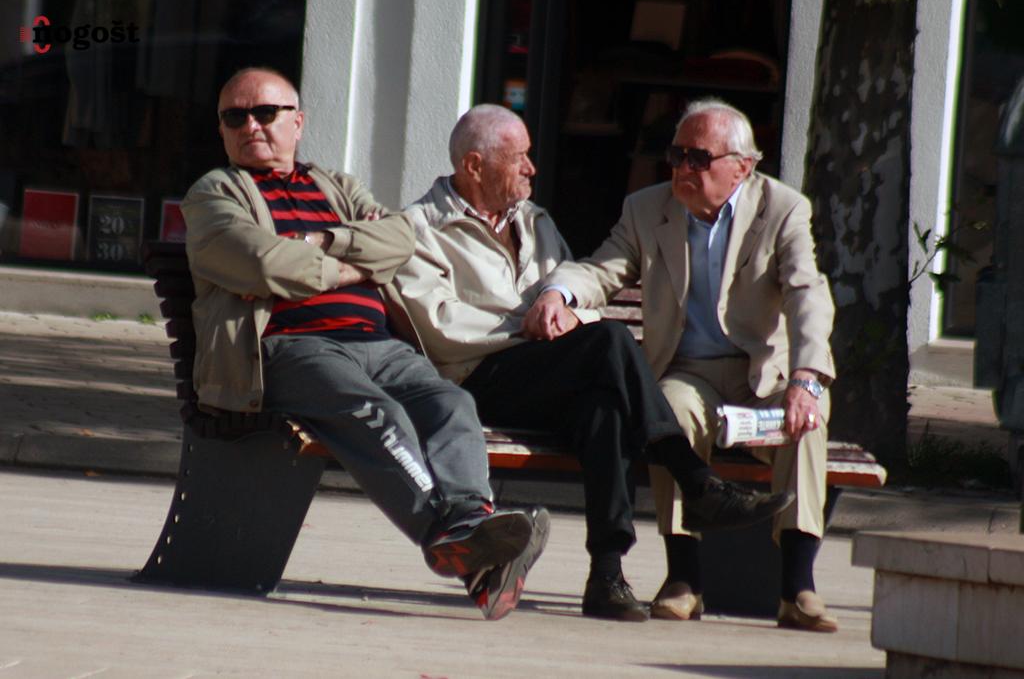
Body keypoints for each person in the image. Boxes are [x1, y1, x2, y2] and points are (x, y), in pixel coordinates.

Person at [386, 104, 793, 622]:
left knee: (606, 406)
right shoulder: (419, 228)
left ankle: (606, 574)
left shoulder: (534, 220)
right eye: (519, 158)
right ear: (474, 166)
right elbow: (439, 327)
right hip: (478, 379)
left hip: (550, 372)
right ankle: (695, 479)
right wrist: (529, 323)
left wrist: (563, 313)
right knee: (610, 343)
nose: (532, 167)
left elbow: (577, 294)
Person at [181, 68, 548, 621]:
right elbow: (261, 262)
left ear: (297, 122)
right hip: (290, 348)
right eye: (235, 116)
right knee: (377, 413)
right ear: (222, 129)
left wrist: (318, 241)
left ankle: (470, 527)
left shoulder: (337, 186)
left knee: (451, 403)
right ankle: (452, 536)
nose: (250, 125)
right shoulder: (214, 194)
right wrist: (352, 265)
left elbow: (399, 239)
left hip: (377, 344)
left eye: (265, 113)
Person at [527, 98, 839, 632]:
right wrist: (559, 293)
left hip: (763, 374)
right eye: (676, 155)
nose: (682, 169)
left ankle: (797, 587)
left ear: (742, 166)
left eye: (698, 158)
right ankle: (683, 579)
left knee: (808, 420)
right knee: (668, 409)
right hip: (688, 372)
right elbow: (601, 271)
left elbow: (807, 293)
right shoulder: (646, 209)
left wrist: (807, 379)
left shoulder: (783, 208)